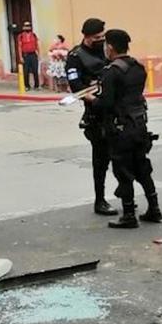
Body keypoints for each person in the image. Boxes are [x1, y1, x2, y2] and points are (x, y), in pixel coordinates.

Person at [87, 29, 162, 229]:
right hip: (139, 125)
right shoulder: (138, 67)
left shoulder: (111, 72)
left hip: (121, 128)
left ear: (110, 47)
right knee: (143, 168)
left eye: (105, 45)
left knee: (123, 171)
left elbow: (106, 104)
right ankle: (154, 208)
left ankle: (129, 215)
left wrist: (90, 98)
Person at [66, 18, 117, 216]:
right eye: (97, 37)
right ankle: (100, 200)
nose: (101, 40)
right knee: (100, 159)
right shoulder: (76, 56)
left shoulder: (107, 51)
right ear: (86, 37)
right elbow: (76, 87)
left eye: (103, 36)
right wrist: (95, 100)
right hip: (96, 112)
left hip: (114, 109)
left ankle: (125, 194)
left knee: (121, 155)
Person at [16, 21, 40, 90]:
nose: (27, 27)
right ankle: (27, 86)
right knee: (26, 71)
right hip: (26, 55)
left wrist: (38, 54)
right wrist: (20, 57)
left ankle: (36, 86)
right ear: (23, 27)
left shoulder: (34, 35)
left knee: (35, 70)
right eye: (26, 26)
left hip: (33, 54)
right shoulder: (21, 36)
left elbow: (37, 45)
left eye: (29, 26)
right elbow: (19, 47)